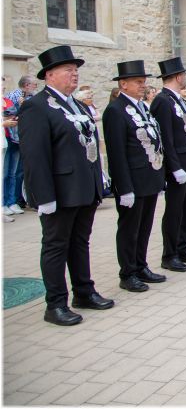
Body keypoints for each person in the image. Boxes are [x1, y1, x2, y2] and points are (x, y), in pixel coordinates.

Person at [18, 46, 112, 325]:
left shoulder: (78, 105)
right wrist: (43, 197)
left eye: (76, 70)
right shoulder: (36, 107)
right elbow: (34, 156)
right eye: (68, 69)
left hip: (84, 187)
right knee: (56, 246)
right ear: (49, 74)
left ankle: (84, 291)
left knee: (80, 242)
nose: (74, 74)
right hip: (59, 191)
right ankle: (56, 303)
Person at [103, 60, 167, 293]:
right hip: (132, 180)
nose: (143, 85)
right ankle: (128, 272)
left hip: (149, 177)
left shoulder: (142, 107)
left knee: (144, 226)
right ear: (123, 84)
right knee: (129, 229)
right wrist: (124, 187)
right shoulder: (115, 110)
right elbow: (117, 152)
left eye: (144, 81)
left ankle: (141, 265)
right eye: (138, 82)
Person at [150, 57, 186, 273]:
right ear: (176, 76)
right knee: (175, 211)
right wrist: (174, 166)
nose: (185, 77)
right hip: (178, 165)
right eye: (183, 74)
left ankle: (184, 247)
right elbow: (165, 137)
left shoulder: (179, 99)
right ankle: (170, 253)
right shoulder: (162, 101)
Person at [4, 74, 37, 214]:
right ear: (26, 85)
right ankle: (7, 202)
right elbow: (10, 115)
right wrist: (20, 106)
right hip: (12, 137)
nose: (35, 87)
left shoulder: (32, 97)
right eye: (34, 84)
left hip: (24, 137)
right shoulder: (12, 96)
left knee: (18, 172)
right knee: (8, 172)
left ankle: (15, 200)